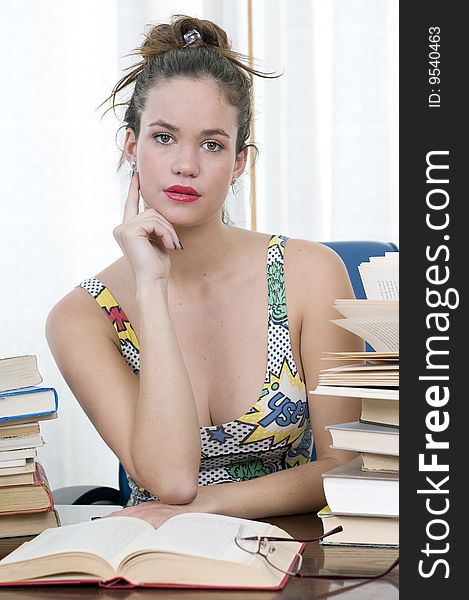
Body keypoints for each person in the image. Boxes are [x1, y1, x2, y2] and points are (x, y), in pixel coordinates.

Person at [46, 15, 362, 528]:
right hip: (153, 560)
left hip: (292, 552)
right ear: (132, 147)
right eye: (164, 137)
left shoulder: (311, 275)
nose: (185, 164)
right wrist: (151, 286)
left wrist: (210, 506)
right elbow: (170, 481)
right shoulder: (81, 317)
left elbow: (346, 464)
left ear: (240, 162)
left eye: (212, 144)